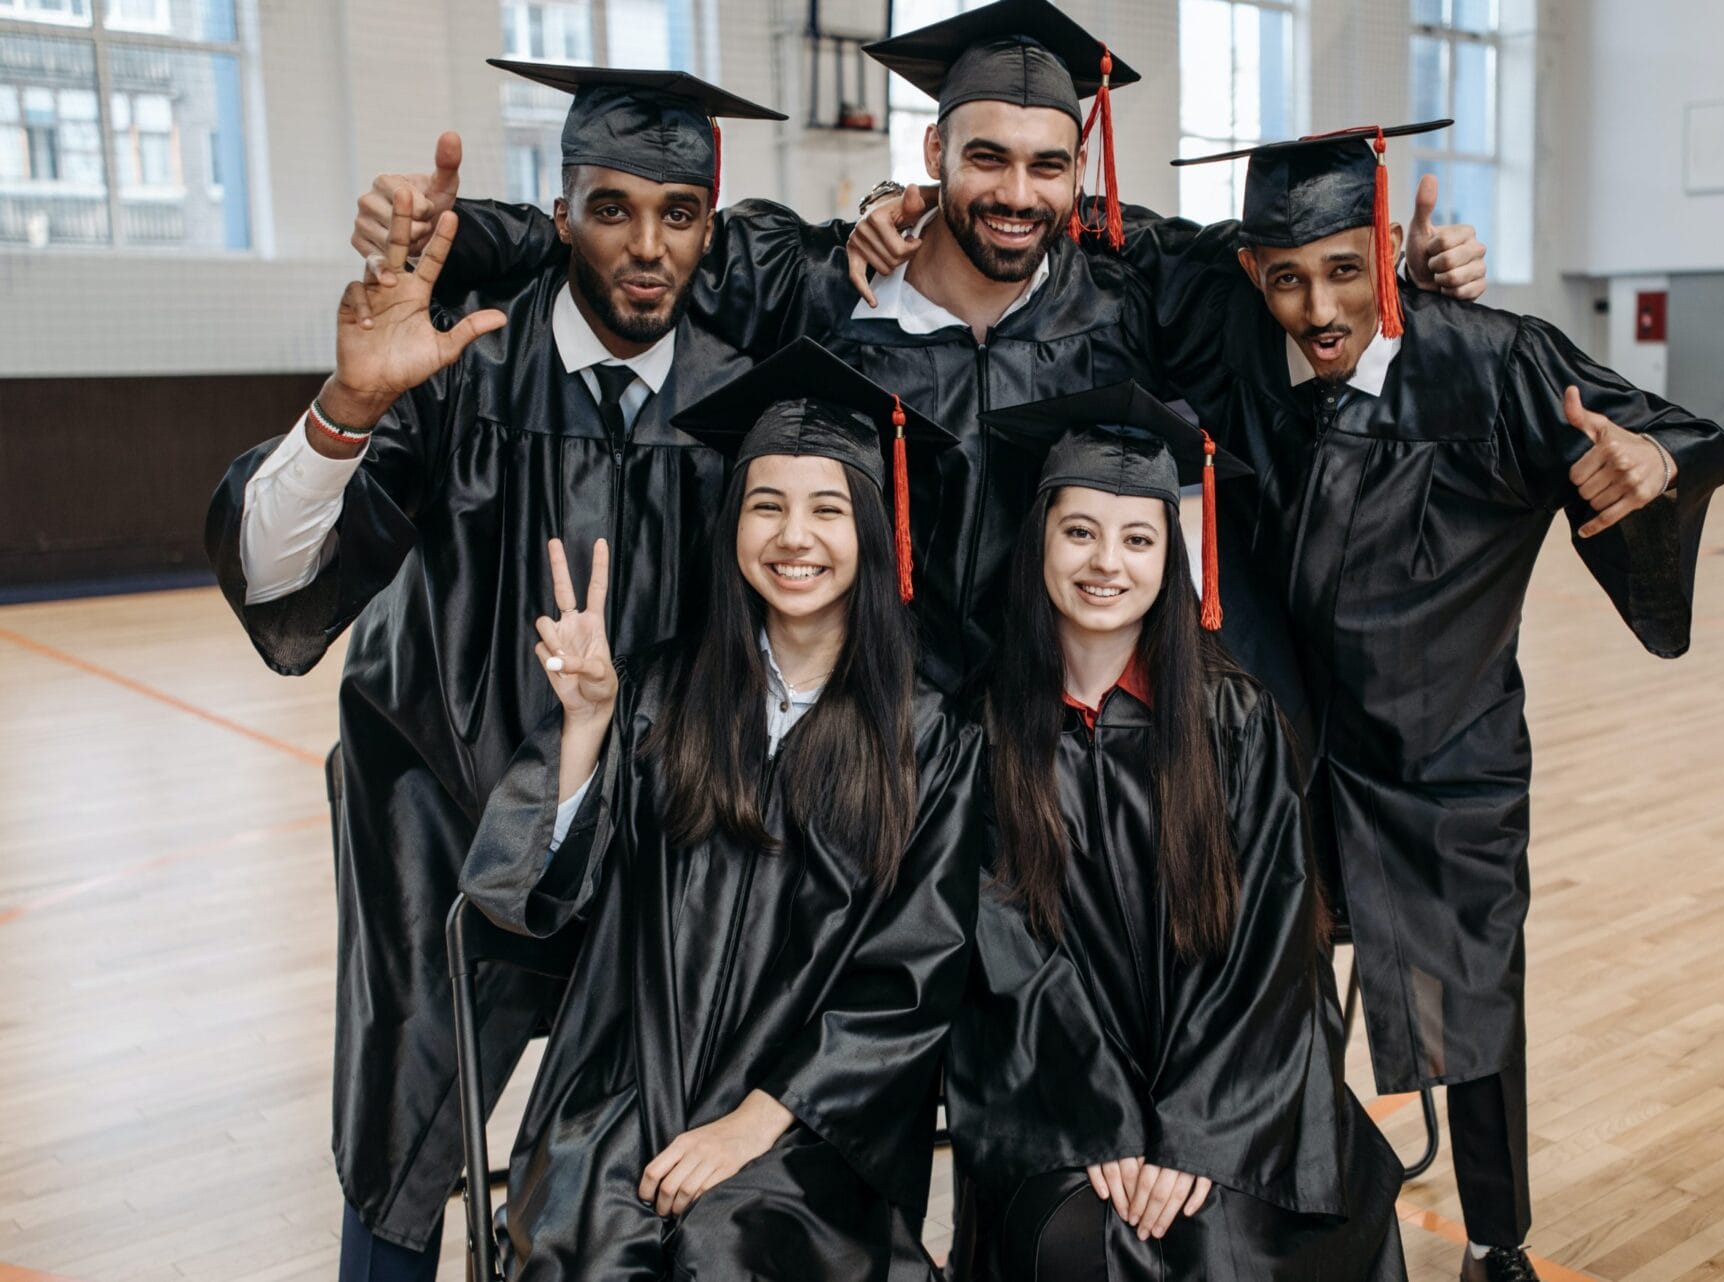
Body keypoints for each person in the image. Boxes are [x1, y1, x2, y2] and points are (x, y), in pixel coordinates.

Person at [354, 0, 1488, 696]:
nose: (1018, 191)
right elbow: (639, 247)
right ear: (934, 151)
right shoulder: (824, 284)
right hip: (885, 717)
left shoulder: (1133, 293)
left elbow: (1291, 280)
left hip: (1066, 709)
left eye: (1050, 165)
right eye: (987, 159)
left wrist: (1414, 280)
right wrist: (455, 238)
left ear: (1080, 175)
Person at [1094, 122, 1724, 1282]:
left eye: (1348, 267)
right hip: (1289, 762)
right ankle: (1272, 1194)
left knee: (1469, 1009)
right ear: (1252, 274)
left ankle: (1497, 1239)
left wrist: (1654, 460)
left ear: (1389, 248)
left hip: (1448, 763)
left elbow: (1678, 432)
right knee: (1245, 968)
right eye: (1286, 278)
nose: (1319, 306)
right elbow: (1123, 242)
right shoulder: (1235, 332)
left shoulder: (1492, 361)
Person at [202, 64, 783, 1280]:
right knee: (406, 1140)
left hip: (649, 832)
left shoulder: (740, 397)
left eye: (677, 215)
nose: (645, 246)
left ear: (710, 231)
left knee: (630, 1165)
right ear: (560, 210)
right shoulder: (461, 361)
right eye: (610, 208)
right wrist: (346, 409)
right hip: (441, 815)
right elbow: (280, 574)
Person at [459, 339, 980, 1280]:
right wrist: (585, 726)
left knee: (728, 1248)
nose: (794, 538)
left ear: (871, 529)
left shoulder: (927, 738)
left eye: (827, 509)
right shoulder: (659, 693)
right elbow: (527, 892)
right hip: (626, 1096)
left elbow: (913, 970)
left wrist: (755, 1120)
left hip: (811, 1125)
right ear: (731, 526)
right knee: (596, 1253)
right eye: (766, 506)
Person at [941, 382, 1407, 1281]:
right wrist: (1102, 1117)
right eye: (1079, 531)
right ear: (1039, 538)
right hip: (1056, 1101)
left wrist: (1193, 1128)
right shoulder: (982, 732)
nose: (1105, 562)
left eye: (1138, 538)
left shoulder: (1234, 721)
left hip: (1235, 1098)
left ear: (1173, 560)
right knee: (1101, 1242)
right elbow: (1001, 953)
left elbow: (1274, 948)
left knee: (1238, 1240)